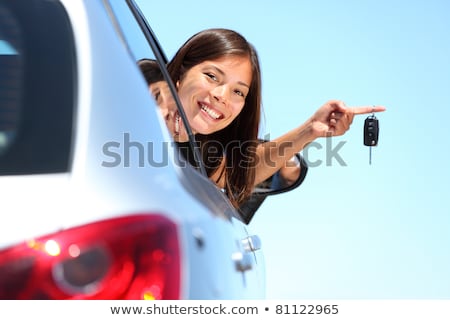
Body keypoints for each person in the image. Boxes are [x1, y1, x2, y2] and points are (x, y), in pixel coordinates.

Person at [139, 28, 386, 208]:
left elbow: (247, 169)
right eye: (212, 76)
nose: (222, 96)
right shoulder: (139, 84)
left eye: (238, 91)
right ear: (180, 74)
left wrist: (311, 129)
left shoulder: (202, 156)